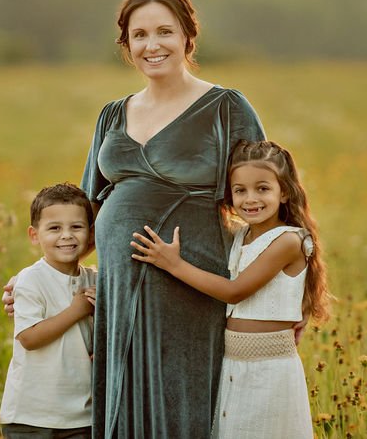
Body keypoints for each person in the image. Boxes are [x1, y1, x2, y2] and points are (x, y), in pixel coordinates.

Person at [80, 0, 266, 438]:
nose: (152, 45)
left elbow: (269, 203)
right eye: (139, 35)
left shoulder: (225, 107)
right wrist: (35, 284)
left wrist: (282, 298)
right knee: (122, 405)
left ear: (187, 35)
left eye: (164, 31)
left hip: (189, 283)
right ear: (127, 45)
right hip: (119, 289)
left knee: (177, 402)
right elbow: (82, 213)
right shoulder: (112, 114)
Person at [130, 139, 330, 439]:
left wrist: (173, 264)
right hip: (233, 362)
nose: (251, 199)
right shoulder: (242, 235)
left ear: (284, 192)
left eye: (263, 188)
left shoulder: (288, 241)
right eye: (240, 190)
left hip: (269, 369)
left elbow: (235, 291)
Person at [0, 182, 98, 439]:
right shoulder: (30, 280)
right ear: (34, 235)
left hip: (80, 416)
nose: (67, 235)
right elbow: (29, 338)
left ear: (91, 232)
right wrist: (77, 311)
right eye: (54, 228)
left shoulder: (95, 280)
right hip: (31, 416)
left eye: (76, 227)